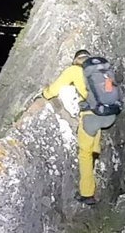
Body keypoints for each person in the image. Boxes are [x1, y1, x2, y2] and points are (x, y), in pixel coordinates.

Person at [41, 49, 117, 205]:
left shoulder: (74, 70)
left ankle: (87, 194)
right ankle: (95, 152)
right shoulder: (102, 71)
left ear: (76, 60)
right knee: (95, 122)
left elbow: (54, 90)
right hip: (110, 114)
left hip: (92, 117)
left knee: (84, 153)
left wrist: (45, 94)